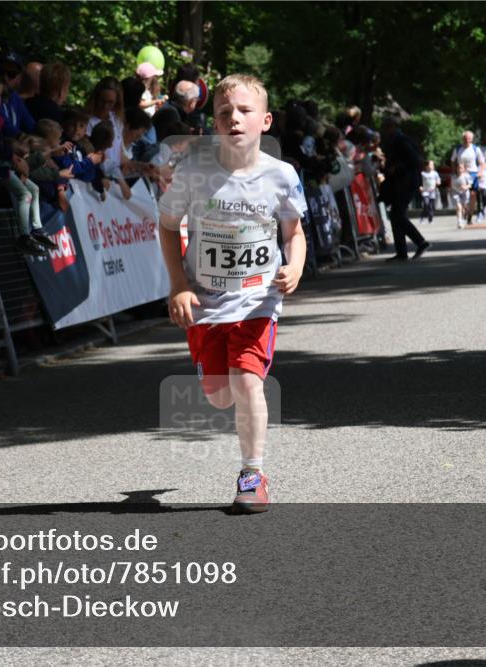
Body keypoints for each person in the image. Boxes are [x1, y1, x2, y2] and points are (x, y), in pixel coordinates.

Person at [158, 73, 307, 514]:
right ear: (214, 123)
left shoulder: (281, 175)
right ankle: (243, 445)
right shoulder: (194, 172)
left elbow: (294, 233)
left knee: (246, 382)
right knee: (218, 394)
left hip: (258, 300)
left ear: (265, 120)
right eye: (225, 112)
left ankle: (252, 474)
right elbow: (167, 229)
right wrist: (179, 285)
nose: (234, 119)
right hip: (204, 302)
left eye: (244, 111)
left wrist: (295, 265)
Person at [0, 74, 55, 255]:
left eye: (0, 95)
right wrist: (10, 154)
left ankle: (36, 228)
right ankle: (24, 236)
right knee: (24, 195)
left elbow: (9, 134)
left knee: (34, 190)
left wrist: (19, 146)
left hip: (3, 166)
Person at [379, 115, 429, 260]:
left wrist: (397, 167)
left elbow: (413, 158)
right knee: (396, 214)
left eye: (386, 128)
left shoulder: (400, 140)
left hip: (406, 182)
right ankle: (401, 251)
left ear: (392, 127)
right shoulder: (397, 139)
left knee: (397, 214)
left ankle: (420, 242)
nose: (385, 131)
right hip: (402, 182)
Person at [0, 48, 36, 137]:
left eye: (12, 74)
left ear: (19, 78)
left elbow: (32, 127)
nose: (5, 78)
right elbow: (5, 128)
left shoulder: (14, 98)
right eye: (0, 72)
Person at [450, 131, 485, 224]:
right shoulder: (457, 149)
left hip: (473, 174)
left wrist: (480, 172)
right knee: (462, 195)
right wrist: (454, 172)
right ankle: (464, 211)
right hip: (461, 175)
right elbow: (452, 161)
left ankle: (470, 216)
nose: (467, 140)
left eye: (469, 138)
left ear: (472, 139)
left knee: (473, 195)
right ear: (463, 139)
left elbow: (482, 162)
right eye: (465, 138)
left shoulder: (475, 149)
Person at [451, 163, 471, 228]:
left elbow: (470, 185)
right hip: (456, 193)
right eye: (458, 168)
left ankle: (464, 218)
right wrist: (457, 188)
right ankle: (459, 221)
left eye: (461, 168)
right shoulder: (453, 177)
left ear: (464, 169)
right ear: (456, 168)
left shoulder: (466, 176)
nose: (459, 169)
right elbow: (452, 186)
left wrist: (465, 187)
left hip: (465, 193)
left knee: (464, 207)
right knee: (459, 207)